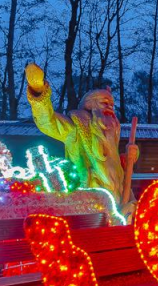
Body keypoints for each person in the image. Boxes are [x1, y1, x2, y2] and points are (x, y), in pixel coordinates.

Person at [25, 63, 138, 208]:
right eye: (105, 103)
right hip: (88, 204)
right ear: (90, 105)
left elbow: (113, 164)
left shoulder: (110, 132)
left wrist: (129, 157)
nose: (110, 108)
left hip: (119, 204)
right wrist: (38, 92)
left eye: (112, 105)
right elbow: (47, 122)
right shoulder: (75, 129)